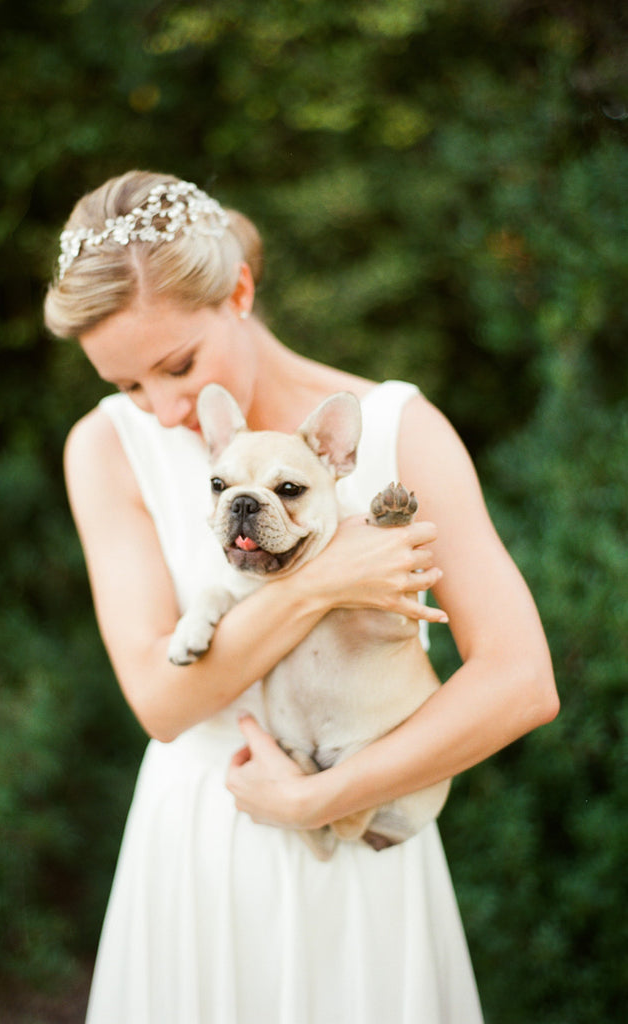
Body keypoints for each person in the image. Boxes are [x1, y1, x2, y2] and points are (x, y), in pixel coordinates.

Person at [44, 171, 558, 1023]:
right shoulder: (104, 447)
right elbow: (161, 702)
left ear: (239, 288)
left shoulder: (397, 430)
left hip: (363, 847)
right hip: (199, 844)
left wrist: (322, 800)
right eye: (130, 384)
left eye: (177, 366)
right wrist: (320, 579)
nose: (165, 409)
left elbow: (521, 680)